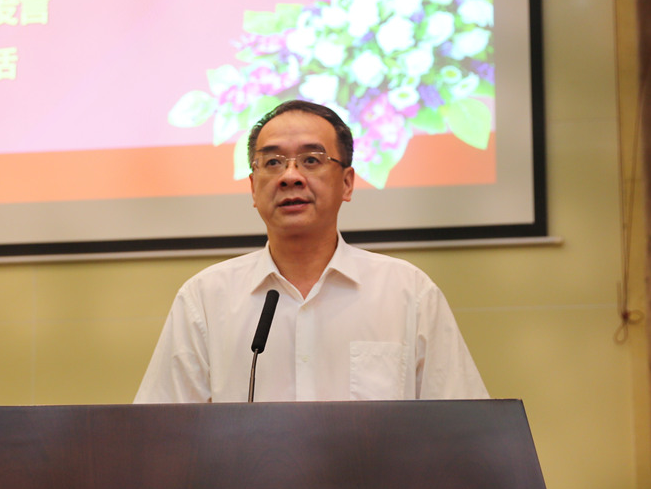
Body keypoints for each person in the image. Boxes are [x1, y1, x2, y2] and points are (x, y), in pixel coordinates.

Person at [135, 100, 488, 403]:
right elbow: (159, 436)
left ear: (347, 183)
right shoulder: (205, 298)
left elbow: (464, 430)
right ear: (253, 188)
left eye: (311, 160)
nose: (290, 176)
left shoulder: (408, 292)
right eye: (273, 162)